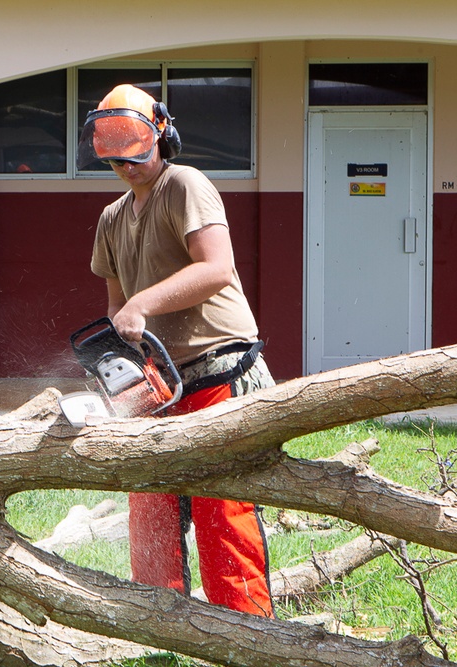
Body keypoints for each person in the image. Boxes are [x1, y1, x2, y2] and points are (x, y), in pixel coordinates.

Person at [78, 84, 274, 617]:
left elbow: (216, 268)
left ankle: (248, 633)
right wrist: (120, 371)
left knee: (222, 510)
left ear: (160, 136)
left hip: (218, 368)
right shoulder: (112, 219)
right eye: (114, 156)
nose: (126, 165)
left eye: (135, 151)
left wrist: (141, 304)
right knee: (148, 506)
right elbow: (120, 316)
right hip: (160, 384)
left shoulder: (184, 183)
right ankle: (161, 626)